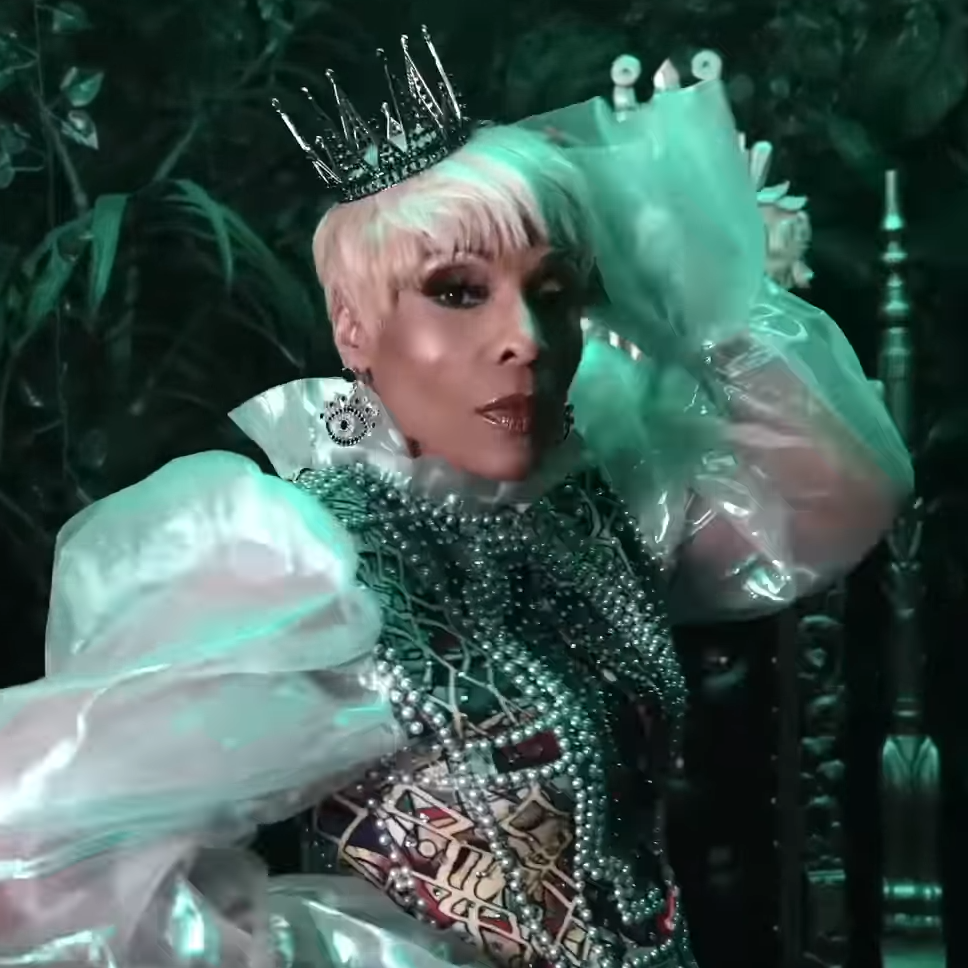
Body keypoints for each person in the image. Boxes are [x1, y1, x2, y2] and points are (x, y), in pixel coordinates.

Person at [0, 29, 911, 968]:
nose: (526, 338)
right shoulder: (298, 568)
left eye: (552, 292)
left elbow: (839, 501)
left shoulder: (590, 508)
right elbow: (37, 861)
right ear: (353, 328)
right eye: (459, 292)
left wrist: (697, 299)